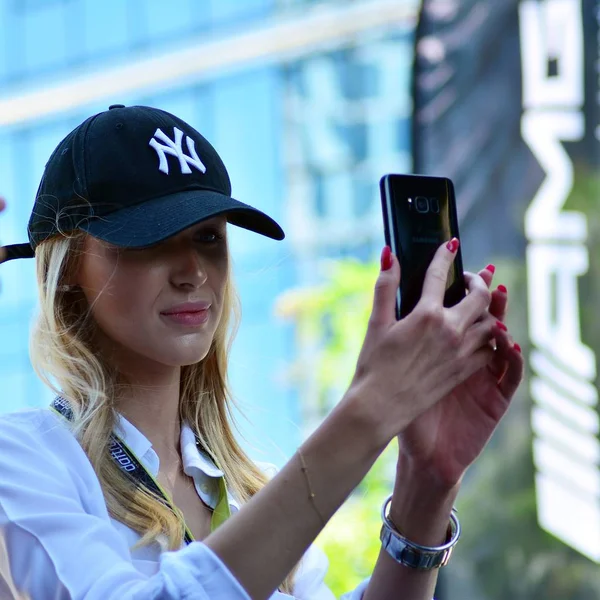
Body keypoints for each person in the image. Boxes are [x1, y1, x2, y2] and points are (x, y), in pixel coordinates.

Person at [0, 105, 523, 600]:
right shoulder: (24, 458)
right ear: (68, 270)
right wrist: (372, 410)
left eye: (208, 237)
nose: (193, 272)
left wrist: (427, 483)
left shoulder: (255, 491)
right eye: (150, 239)